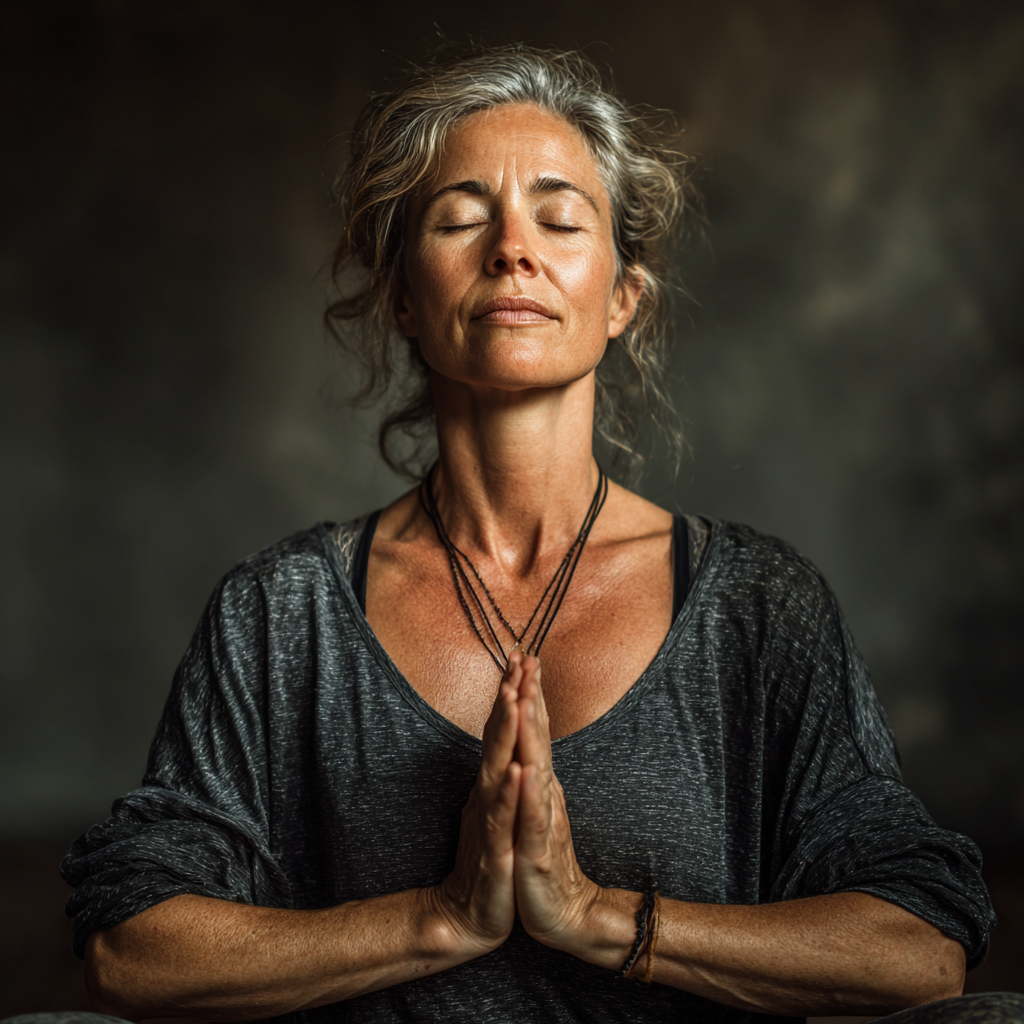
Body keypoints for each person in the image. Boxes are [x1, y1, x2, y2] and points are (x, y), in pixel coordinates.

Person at [50, 44, 1015, 1024]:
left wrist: (597, 918)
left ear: (621, 301)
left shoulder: (757, 607)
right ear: (403, 301)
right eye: (460, 218)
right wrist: (443, 917)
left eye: (558, 219)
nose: (512, 249)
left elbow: (919, 946)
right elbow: (131, 950)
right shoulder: (281, 612)